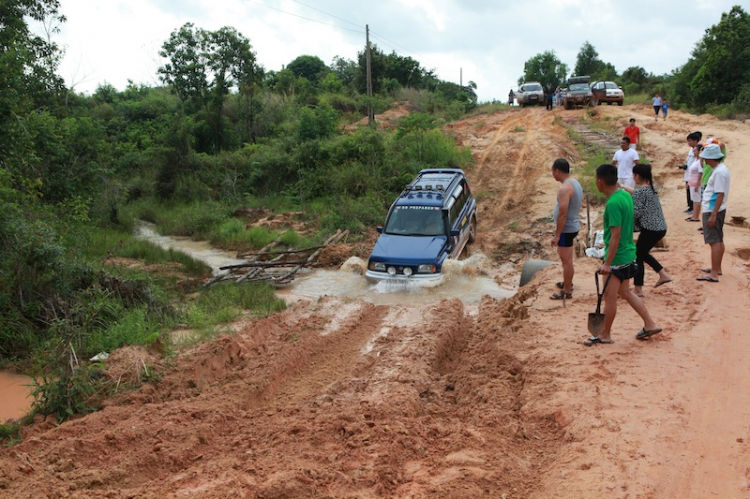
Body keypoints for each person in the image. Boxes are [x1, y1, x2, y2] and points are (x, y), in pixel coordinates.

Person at [584, 164, 662, 345]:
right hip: (628, 254)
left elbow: (615, 235)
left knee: (610, 298)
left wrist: (607, 263)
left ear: (599, 182)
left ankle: (605, 334)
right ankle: (650, 323)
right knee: (626, 292)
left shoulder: (612, 204)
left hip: (617, 257)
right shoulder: (625, 195)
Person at [620, 164, 672, 297]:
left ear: (637, 175)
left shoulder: (641, 192)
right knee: (642, 253)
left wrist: (624, 226)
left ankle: (638, 289)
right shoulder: (650, 189)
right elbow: (636, 193)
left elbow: (635, 212)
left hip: (650, 229)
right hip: (659, 228)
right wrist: (622, 187)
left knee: (638, 255)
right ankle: (663, 274)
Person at [549, 158, 583, 300]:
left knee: (566, 260)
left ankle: (567, 291)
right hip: (571, 225)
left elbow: (562, 213)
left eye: (552, 171)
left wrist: (557, 235)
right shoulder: (574, 183)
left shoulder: (565, 188)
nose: (552, 174)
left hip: (567, 228)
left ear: (557, 171)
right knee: (567, 259)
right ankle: (567, 282)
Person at [697, 144, 730, 283]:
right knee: (718, 239)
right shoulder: (721, 169)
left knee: (713, 241)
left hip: (712, 209)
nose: (704, 161)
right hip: (716, 208)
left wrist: (713, 214)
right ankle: (717, 268)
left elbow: (720, 194)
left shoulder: (718, 172)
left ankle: (714, 273)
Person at [681, 131, 702, 214]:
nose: (689, 143)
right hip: (689, 173)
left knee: (694, 192)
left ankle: (693, 208)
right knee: (688, 191)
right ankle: (690, 206)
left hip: (694, 174)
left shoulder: (698, 149)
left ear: (696, 140)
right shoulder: (691, 149)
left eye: (690, 141)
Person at [686, 142, 704, 222]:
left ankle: (696, 216)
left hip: (696, 182)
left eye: (695, 150)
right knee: (694, 199)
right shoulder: (695, 160)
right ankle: (694, 215)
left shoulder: (700, 161)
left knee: (697, 199)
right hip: (692, 182)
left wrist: (697, 183)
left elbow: (700, 172)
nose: (694, 152)